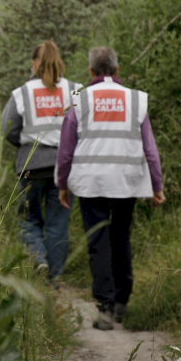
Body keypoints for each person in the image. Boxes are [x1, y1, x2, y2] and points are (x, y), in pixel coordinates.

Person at [55, 46, 165, 330]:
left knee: (98, 243)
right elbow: (150, 149)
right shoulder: (135, 99)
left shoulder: (79, 100)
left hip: (90, 183)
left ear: (90, 71)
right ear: (117, 70)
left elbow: (66, 149)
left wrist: (62, 183)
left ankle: (104, 309)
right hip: (126, 182)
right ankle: (121, 303)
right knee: (121, 238)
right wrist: (157, 186)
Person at [1, 41, 82, 280]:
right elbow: (84, 128)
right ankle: (54, 283)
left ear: (34, 63)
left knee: (28, 221)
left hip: (31, 166)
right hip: (64, 169)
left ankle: (38, 260)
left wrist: (25, 145)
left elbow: (7, 128)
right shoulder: (75, 90)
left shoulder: (22, 92)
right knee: (58, 226)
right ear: (59, 62)